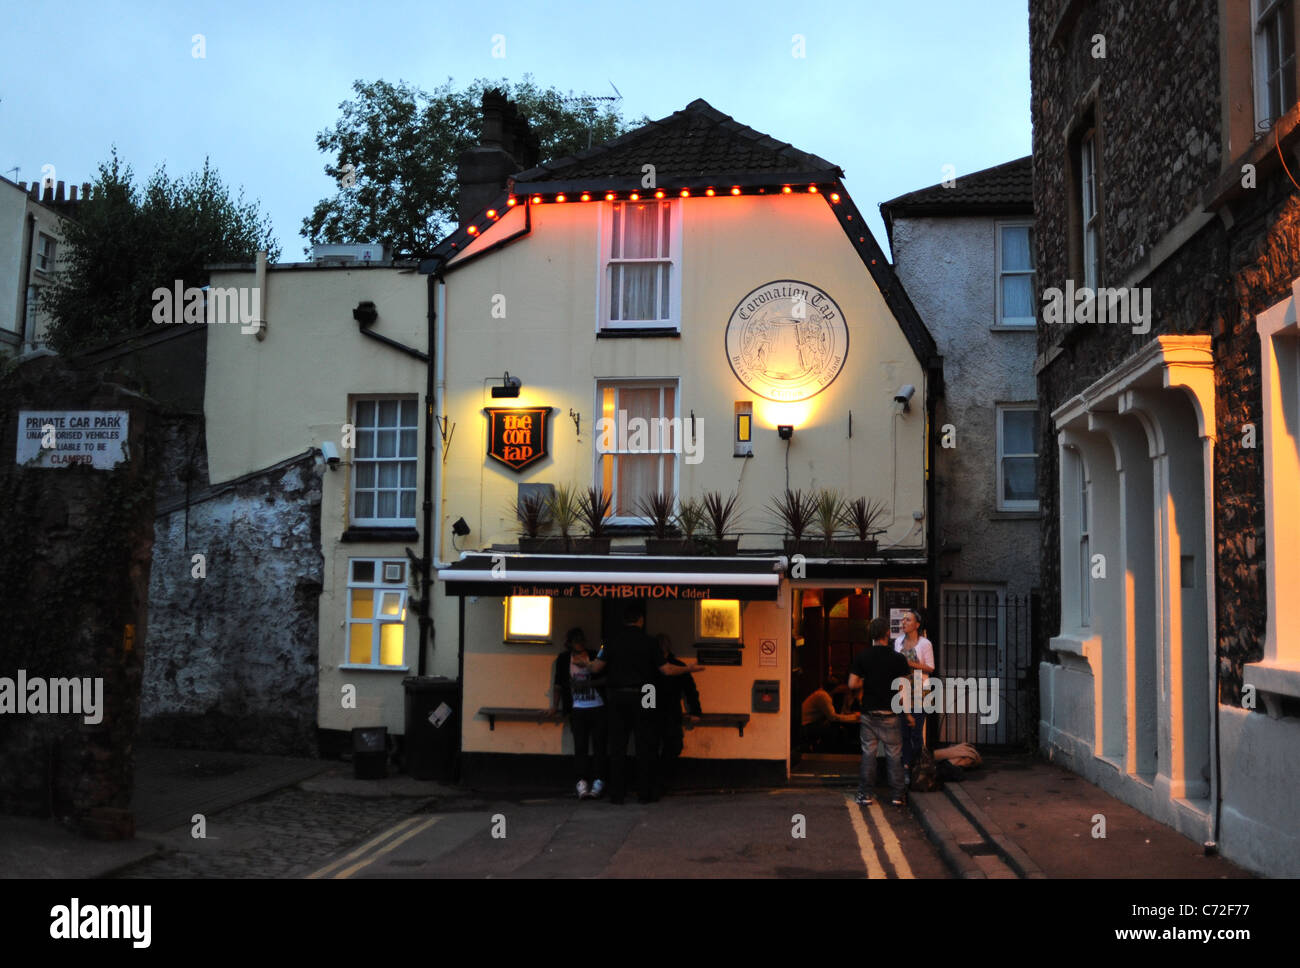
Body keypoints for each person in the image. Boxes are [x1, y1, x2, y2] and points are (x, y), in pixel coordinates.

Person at [588, 601, 704, 804]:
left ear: (625, 621)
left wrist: (583, 663)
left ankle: (617, 794)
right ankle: (645, 793)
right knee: (646, 744)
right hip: (646, 692)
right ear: (641, 620)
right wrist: (688, 669)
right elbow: (666, 670)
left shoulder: (611, 641)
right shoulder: (650, 642)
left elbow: (596, 668)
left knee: (617, 745)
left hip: (617, 693)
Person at [848, 617, 914, 807]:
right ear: (887, 633)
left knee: (868, 753)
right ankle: (897, 795)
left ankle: (865, 794)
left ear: (872, 635)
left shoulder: (863, 656)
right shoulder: (898, 659)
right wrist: (907, 714)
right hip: (890, 714)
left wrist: (865, 682)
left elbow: (852, 684)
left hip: (869, 713)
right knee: (894, 755)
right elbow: (903, 690)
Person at [552, 627, 607, 800]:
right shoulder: (563, 659)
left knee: (599, 746)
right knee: (580, 746)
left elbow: (606, 678)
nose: (580, 642)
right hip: (578, 707)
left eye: (581, 639)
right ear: (569, 643)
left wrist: (588, 684)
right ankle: (582, 781)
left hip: (597, 705)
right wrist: (555, 706)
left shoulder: (594, 655)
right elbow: (559, 684)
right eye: (576, 640)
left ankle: (598, 780)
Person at [655, 633, 703, 797]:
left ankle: (657, 781)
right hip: (670, 711)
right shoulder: (678, 665)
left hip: (658, 712)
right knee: (673, 746)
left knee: (660, 747)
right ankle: (662, 781)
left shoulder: (650, 666)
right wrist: (695, 711)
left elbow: (645, 690)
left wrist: (645, 709)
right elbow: (690, 691)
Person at [894, 609, 935, 783]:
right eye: (903, 620)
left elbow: (930, 668)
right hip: (902, 690)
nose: (903, 623)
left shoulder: (925, 644)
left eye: (908, 620)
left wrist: (908, 663)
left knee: (916, 732)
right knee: (903, 732)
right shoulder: (898, 642)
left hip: (919, 690)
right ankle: (905, 768)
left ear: (917, 625)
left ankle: (918, 768)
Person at [800, 675, 860, 752]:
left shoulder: (822, 693)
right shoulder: (823, 696)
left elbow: (835, 714)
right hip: (807, 727)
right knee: (835, 729)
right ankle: (830, 752)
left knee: (834, 727)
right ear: (838, 687)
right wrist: (855, 717)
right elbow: (833, 717)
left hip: (807, 725)